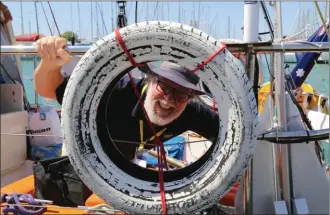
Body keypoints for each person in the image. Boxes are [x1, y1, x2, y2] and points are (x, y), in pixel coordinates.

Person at [34, 36, 219, 161]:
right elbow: (50, 90)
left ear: (190, 97)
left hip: (123, 168)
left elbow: (230, 133)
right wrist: (49, 65)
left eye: (181, 93)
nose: (169, 99)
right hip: (82, 161)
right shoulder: (116, 92)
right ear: (151, 79)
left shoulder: (191, 112)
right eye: (165, 86)